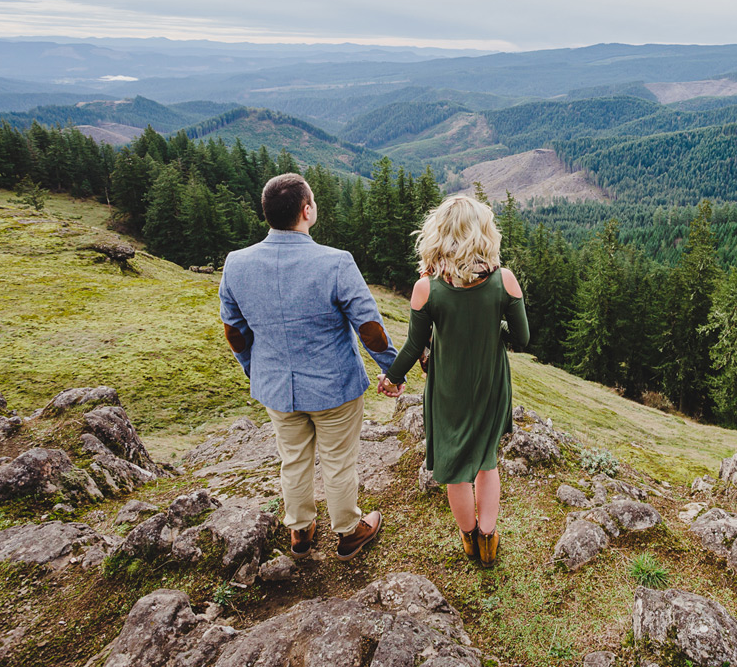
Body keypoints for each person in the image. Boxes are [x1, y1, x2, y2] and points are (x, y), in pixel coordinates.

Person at [219, 172, 399, 560]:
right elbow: (369, 328)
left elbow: (234, 331)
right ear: (307, 209)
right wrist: (394, 369)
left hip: (277, 388)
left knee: (293, 458)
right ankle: (349, 531)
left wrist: (256, 371)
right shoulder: (335, 262)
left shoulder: (236, 264)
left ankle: (300, 532)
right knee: (338, 461)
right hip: (334, 387)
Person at [380, 194, 529, 566]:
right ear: (484, 233)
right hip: (491, 385)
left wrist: (392, 378)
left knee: (455, 470)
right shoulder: (504, 280)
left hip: (447, 390)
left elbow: (415, 346)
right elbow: (523, 339)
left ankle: (468, 539)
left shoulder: (426, 287)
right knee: (486, 462)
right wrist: (498, 332)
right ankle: (488, 539)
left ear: (438, 234)